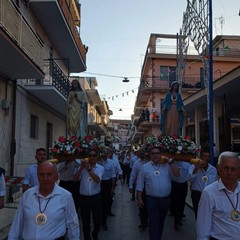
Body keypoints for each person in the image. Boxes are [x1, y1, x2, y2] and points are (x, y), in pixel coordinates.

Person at [8, 161, 80, 240]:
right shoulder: (27, 195)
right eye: (42, 174)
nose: (45, 178)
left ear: (56, 177)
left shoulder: (66, 196)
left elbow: (73, 225)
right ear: (37, 176)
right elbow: (17, 224)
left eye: (49, 174)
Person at [136, 146, 180, 240]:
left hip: (165, 200)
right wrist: (139, 198)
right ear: (150, 155)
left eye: (157, 153)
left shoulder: (167, 165)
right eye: (153, 153)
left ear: (161, 155)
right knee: (153, 221)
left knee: (161, 221)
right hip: (152, 200)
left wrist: (171, 162)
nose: (155, 155)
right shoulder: (145, 167)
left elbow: (177, 175)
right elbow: (140, 184)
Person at [196, 151, 240, 240]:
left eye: (233, 169)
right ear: (218, 168)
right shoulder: (209, 193)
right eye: (226, 168)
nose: (229, 173)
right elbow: (203, 227)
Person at [73, 148, 104, 240]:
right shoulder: (82, 167)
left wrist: (88, 169)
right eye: (90, 155)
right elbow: (74, 179)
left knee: (97, 221)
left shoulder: (100, 168)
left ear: (97, 157)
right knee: (85, 222)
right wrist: (81, 169)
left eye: (94, 155)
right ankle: (87, 238)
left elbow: (97, 180)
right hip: (83, 198)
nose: (91, 157)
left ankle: (95, 234)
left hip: (95, 198)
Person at [188, 148, 218, 219]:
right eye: (205, 156)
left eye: (208, 157)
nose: (206, 158)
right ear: (201, 157)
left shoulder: (213, 169)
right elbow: (189, 179)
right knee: (198, 216)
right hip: (197, 195)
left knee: (209, 216)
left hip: (209, 196)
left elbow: (215, 183)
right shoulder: (193, 167)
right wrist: (197, 168)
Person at [129, 148, 149, 229]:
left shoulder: (149, 162)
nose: (143, 154)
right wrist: (130, 185)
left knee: (148, 205)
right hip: (140, 187)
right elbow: (133, 175)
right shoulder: (136, 163)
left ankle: (146, 220)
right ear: (139, 154)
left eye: (144, 152)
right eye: (141, 152)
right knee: (141, 205)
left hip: (149, 186)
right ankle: (143, 222)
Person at [170, 160, 191, 230]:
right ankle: (176, 220)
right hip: (174, 184)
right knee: (175, 202)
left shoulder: (187, 164)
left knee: (182, 202)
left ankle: (179, 217)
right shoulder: (171, 162)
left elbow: (190, 175)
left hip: (183, 184)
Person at [98, 147, 116, 230]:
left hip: (107, 184)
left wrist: (112, 188)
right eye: (103, 152)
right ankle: (99, 219)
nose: (104, 154)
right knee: (98, 203)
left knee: (106, 203)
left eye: (106, 152)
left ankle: (104, 221)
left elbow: (113, 176)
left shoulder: (111, 163)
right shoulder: (97, 161)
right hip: (98, 183)